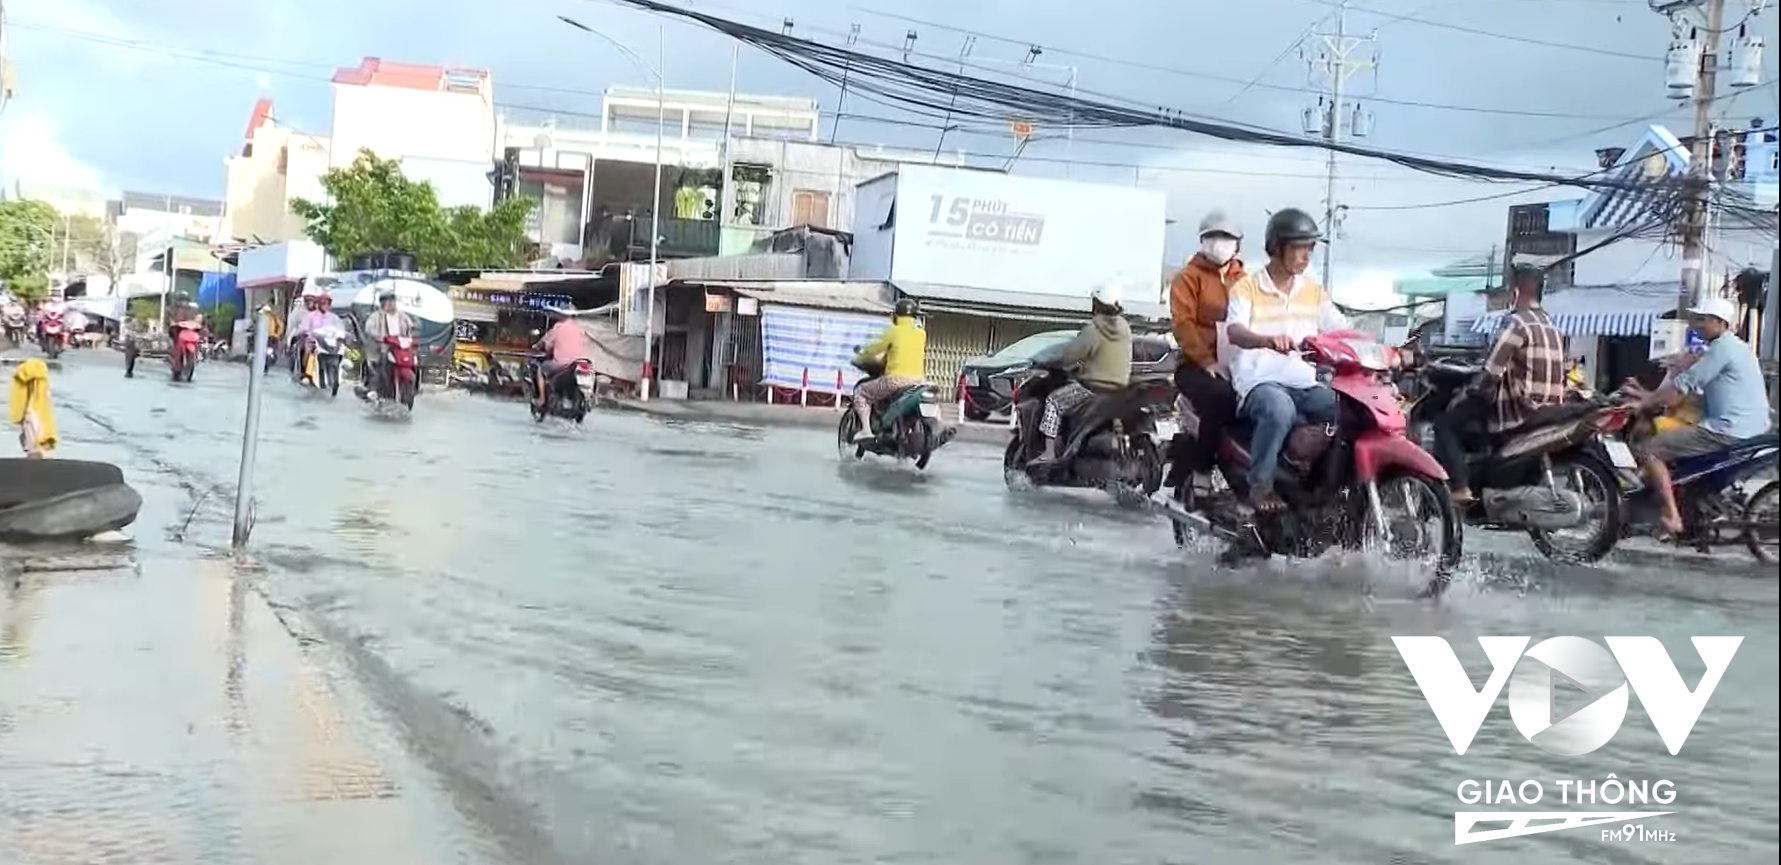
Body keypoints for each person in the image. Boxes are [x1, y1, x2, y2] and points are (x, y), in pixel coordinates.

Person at [1222, 208, 1347, 512]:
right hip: (1259, 380)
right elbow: (1235, 331)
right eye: (1299, 248)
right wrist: (1265, 340)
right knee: (1279, 410)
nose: (1306, 256)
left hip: (1302, 381)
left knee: (1347, 410)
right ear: (1277, 247)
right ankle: (1260, 486)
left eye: (1310, 249)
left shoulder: (1314, 293)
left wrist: (1391, 351)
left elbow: (1344, 329)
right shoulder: (1247, 287)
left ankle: (1324, 482)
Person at [1631, 296, 1772, 536]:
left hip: (1727, 430)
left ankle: (1671, 515)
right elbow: (1685, 394)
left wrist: (1645, 401)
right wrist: (1647, 395)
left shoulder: (1721, 350)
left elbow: (1680, 388)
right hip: (1749, 427)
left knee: (1648, 449)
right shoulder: (1734, 347)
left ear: (1719, 322)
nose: (1696, 325)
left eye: (1702, 320)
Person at [1430, 264, 1567, 505]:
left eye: (1507, 289)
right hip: (1549, 408)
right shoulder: (1551, 325)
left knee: (1445, 424)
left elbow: (1491, 372)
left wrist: (1468, 392)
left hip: (1520, 410)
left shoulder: (1516, 323)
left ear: (1515, 291)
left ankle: (1460, 488)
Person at [1167, 210, 1245, 487]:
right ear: (1202, 241)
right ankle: (1202, 468)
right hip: (1196, 366)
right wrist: (1207, 361)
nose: (1219, 242)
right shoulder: (1188, 278)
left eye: (1226, 237)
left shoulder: (1247, 281)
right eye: (1212, 236)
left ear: (1237, 244)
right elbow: (1183, 324)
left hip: (1240, 364)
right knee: (1222, 397)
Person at [1027, 284, 1134, 466]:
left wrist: (1067, 364)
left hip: (1092, 388)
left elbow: (1071, 356)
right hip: (1120, 389)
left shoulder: (1093, 329)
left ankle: (1049, 452)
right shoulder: (1125, 327)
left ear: (1097, 304)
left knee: (1053, 402)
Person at [849, 298, 928, 442]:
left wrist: (861, 356)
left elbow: (874, 349)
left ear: (896, 315)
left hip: (896, 380)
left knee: (861, 392)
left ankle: (866, 430)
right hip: (918, 381)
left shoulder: (893, 332)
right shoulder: (921, 334)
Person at [361, 289, 418, 392]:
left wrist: (413, 334)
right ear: (382, 303)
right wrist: (378, 336)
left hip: (400, 348)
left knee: (413, 361)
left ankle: (414, 388)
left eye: (392, 300)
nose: (391, 303)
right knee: (378, 367)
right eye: (388, 300)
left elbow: (411, 326)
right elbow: (369, 328)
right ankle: (372, 390)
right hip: (382, 348)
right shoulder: (376, 316)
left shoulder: (402, 316)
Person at [532, 309, 589, 408]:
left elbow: (547, 345)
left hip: (561, 365)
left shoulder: (558, 327)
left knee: (541, 370)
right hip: (576, 364)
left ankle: (541, 399)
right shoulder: (580, 329)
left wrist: (539, 346)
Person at [291, 292, 345, 383]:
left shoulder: (334, 318)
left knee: (343, 350)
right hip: (313, 341)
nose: (325, 305)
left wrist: (341, 336)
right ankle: (307, 374)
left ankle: (341, 371)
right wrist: (306, 333)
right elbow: (303, 329)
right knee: (310, 350)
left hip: (330, 342)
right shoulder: (310, 316)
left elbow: (340, 330)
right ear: (318, 304)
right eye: (323, 303)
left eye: (327, 303)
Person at [9, 358, 57, 458]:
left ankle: (34, 462)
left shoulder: (32, 376)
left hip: (32, 414)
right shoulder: (41, 383)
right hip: (34, 412)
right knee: (33, 440)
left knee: (34, 441)